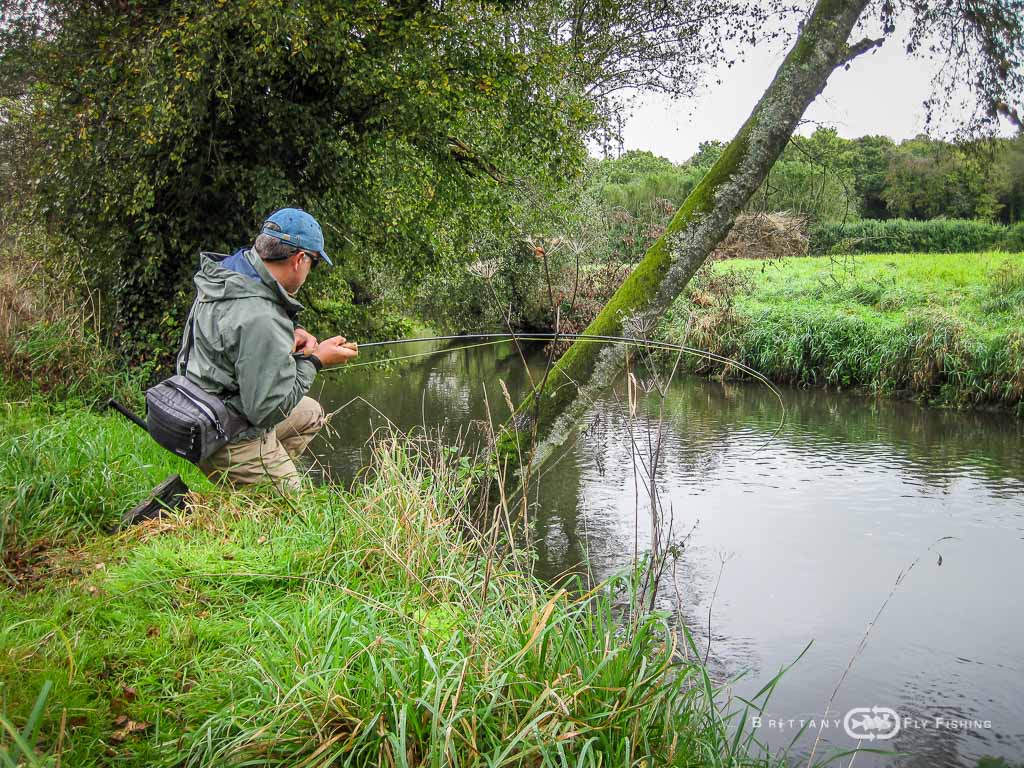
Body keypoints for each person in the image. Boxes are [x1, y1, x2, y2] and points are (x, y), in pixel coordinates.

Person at [177, 207, 357, 491]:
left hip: (202, 413)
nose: (311, 270)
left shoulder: (227, 278)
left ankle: (259, 474)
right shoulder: (262, 316)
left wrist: (286, 340)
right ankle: (263, 483)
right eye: (314, 262)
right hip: (225, 436)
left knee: (311, 413)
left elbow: (236, 339)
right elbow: (266, 410)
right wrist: (316, 361)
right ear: (299, 260)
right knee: (293, 503)